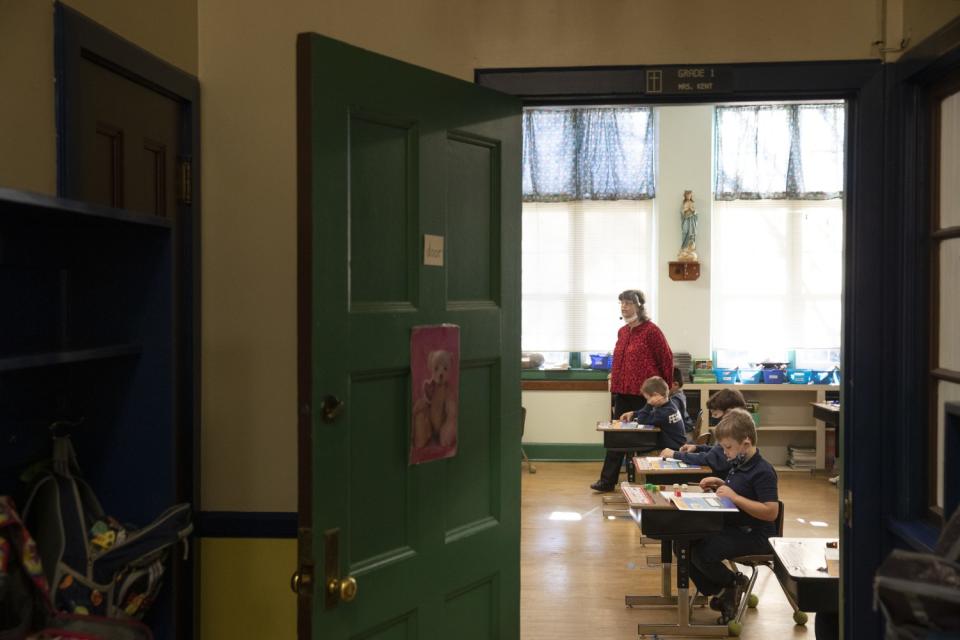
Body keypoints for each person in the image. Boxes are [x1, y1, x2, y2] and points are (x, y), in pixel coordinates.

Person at [688, 409, 780, 624]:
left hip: (756, 536)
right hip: (735, 528)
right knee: (685, 541)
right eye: (723, 447)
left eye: (728, 447)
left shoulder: (763, 471)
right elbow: (738, 491)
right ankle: (724, 590)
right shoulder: (738, 465)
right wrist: (721, 485)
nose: (725, 453)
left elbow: (771, 511)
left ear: (746, 443)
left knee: (704, 550)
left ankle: (730, 586)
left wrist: (735, 497)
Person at [590, 290, 674, 492]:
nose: (624, 307)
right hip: (623, 393)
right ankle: (607, 481)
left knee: (643, 440)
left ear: (639, 306)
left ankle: (645, 482)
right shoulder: (623, 331)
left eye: (628, 303)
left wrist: (665, 390)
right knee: (616, 437)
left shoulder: (651, 331)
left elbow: (666, 359)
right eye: (621, 303)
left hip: (645, 396)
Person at [591, 376, 684, 492]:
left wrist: (648, 405)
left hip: (668, 449)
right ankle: (637, 483)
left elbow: (643, 420)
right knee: (639, 447)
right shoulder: (669, 406)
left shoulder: (664, 412)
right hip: (671, 444)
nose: (647, 401)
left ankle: (640, 486)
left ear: (655, 396)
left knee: (640, 451)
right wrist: (634, 413)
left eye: (647, 398)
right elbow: (648, 415)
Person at [659, 388, 747, 474]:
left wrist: (675, 454)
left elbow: (711, 458)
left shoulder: (734, 432)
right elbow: (718, 451)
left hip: (719, 476)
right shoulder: (736, 428)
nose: (713, 417)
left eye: (715, 414)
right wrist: (697, 448)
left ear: (729, 412)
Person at [669, 366, 694, 434]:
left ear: (675, 384)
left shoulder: (675, 399)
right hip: (684, 429)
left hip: (680, 433)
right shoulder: (680, 394)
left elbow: (669, 417)